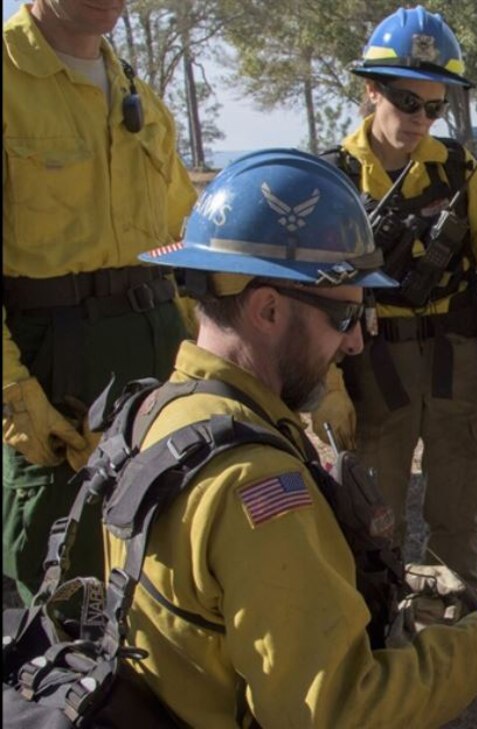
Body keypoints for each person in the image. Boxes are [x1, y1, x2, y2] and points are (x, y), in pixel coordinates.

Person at [104, 148, 477, 728]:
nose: (354, 343)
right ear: (267, 310)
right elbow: (337, 711)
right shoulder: (254, 482)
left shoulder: (157, 414)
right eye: (344, 317)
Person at [312, 6, 477, 591]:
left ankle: (458, 621)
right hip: (373, 368)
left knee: (458, 518)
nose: (421, 119)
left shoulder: (460, 172)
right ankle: (381, 627)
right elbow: (311, 297)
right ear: (372, 91)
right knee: (373, 520)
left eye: (435, 107)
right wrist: (328, 389)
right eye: (407, 102)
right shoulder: (332, 181)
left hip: (456, 360)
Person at [2, 0, 196, 604]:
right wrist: (13, 392)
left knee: (165, 553)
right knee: (62, 567)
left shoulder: (137, 95)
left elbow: (187, 240)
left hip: (158, 353)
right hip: (57, 369)